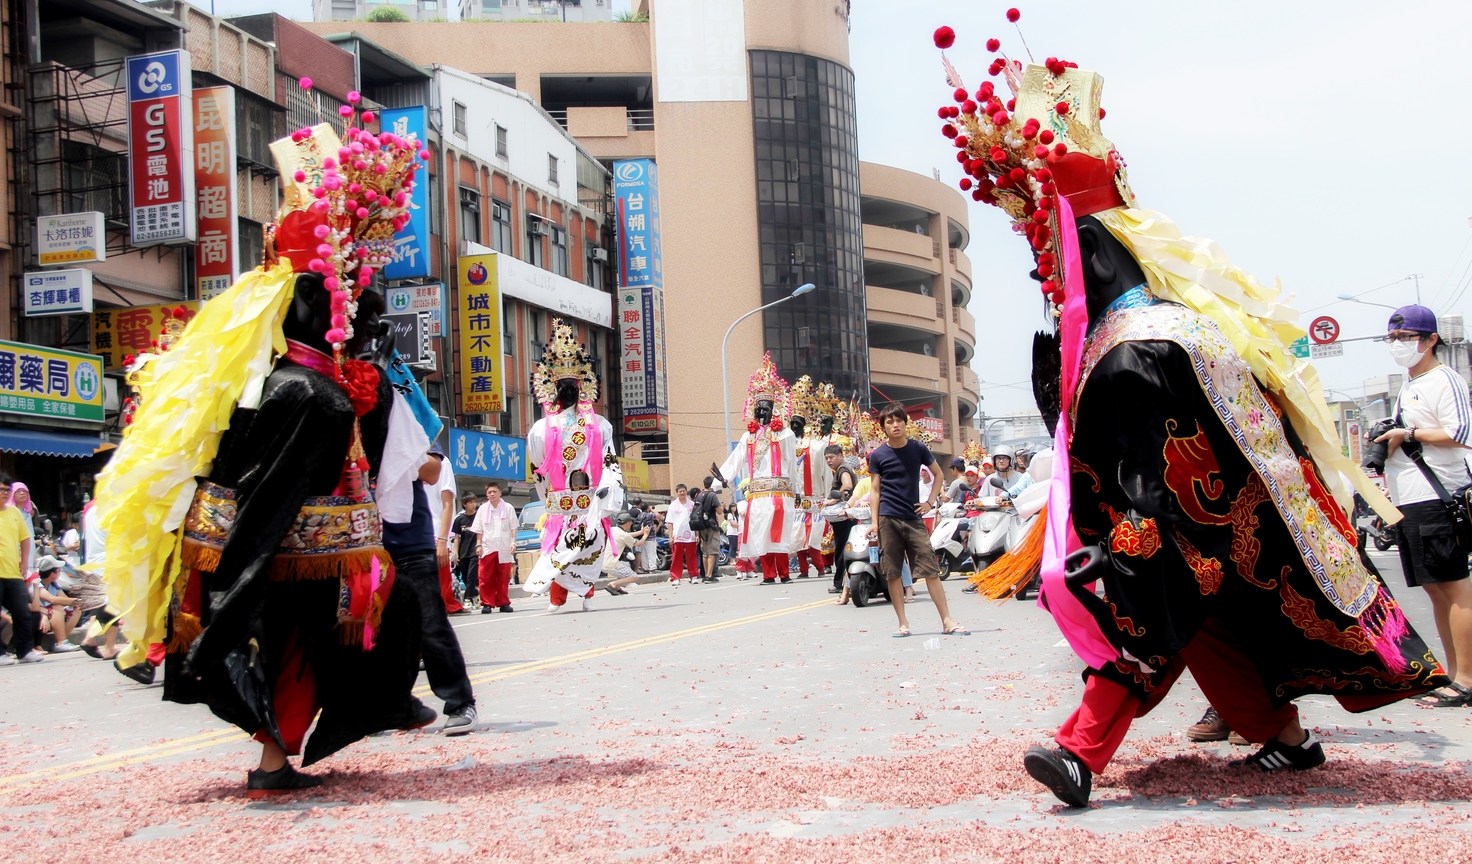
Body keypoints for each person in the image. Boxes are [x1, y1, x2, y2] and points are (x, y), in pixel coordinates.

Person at [931, 32, 1445, 808]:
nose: (1050, 277)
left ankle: (1080, 752)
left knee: (1148, 608)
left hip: (1182, 514)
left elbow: (1158, 469)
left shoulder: (1135, 344)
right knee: (1208, 621)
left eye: (1054, 260)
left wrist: (1128, 538)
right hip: (1223, 512)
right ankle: (1284, 737)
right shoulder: (1174, 323)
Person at [91, 118, 438, 796]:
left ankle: (323, 732)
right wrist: (235, 584)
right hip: (279, 544)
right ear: (317, 309)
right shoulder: (312, 395)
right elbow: (275, 493)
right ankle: (293, 749)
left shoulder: (267, 378)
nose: (369, 327)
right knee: (299, 640)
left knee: (329, 629)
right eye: (357, 314)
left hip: (267, 540)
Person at [1376, 304, 1472, 707]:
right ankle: (1452, 674)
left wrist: (1408, 432)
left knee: (1455, 588)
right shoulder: (1409, 382)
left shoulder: (1443, 378)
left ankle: (1466, 679)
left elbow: (1460, 432)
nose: (1400, 344)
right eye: (1394, 338)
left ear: (1432, 340)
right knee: (1436, 591)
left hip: (1438, 497)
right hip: (1410, 500)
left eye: (1408, 337)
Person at [382, 444, 478, 735]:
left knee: (430, 624)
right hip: (359, 540)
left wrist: (385, 447)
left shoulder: (402, 402)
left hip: (409, 540)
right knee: (374, 630)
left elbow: (432, 470)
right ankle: (390, 706)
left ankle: (460, 704)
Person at [525, 319, 620, 611]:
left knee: (589, 545)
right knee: (560, 550)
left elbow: (609, 459)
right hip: (561, 502)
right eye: (562, 386)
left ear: (583, 387)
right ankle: (558, 597)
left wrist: (608, 486)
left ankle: (587, 593)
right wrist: (548, 499)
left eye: (573, 386)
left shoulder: (600, 426)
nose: (568, 392)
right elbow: (538, 469)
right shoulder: (541, 428)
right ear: (552, 388)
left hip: (590, 499)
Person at [867, 404, 967, 637]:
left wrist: (930, 503)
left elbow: (939, 474)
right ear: (883, 427)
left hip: (913, 518)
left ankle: (947, 621)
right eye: (889, 422)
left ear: (905, 422)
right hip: (887, 518)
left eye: (898, 420)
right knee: (892, 572)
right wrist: (874, 522)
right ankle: (903, 623)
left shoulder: (918, 448)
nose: (895, 425)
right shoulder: (878, 455)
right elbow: (875, 490)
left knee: (930, 569)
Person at [714, 354, 797, 585]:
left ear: (774, 409)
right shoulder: (747, 436)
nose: (761, 412)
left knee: (779, 534)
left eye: (766, 407)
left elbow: (791, 463)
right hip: (758, 494)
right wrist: (721, 479)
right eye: (758, 408)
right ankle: (769, 574)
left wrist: (796, 489)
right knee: (761, 534)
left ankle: (785, 573)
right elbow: (736, 460)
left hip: (780, 492)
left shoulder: (786, 434)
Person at [0, 473, 37, 664]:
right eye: (2, 489)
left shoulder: (14, 512)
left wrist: (24, 562)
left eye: (8, 490)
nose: (5, 493)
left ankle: (24, 651)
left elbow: (25, 538)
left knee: (22, 611)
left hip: (12, 571)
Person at [470, 481, 517, 614]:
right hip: (487, 546)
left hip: (504, 546)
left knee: (503, 577)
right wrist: (478, 544)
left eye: (494, 492)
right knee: (485, 577)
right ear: (486, 494)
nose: (492, 494)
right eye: (489, 492)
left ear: (500, 493)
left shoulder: (508, 507)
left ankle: (503, 602)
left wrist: (513, 542)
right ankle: (487, 603)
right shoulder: (483, 509)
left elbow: (513, 526)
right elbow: (478, 529)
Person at [824, 444, 857, 594]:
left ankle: (839, 584)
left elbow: (848, 485)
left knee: (842, 550)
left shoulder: (843, 469)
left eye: (831, 457)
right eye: (826, 458)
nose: (829, 461)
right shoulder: (840, 469)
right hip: (846, 515)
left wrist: (833, 500)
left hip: (845, 516)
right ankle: (843, 583)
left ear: (840, 456)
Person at [32, 556, 81, 652]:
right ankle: (61, 642)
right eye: (58, 570)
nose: (60, 572)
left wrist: (78, 602)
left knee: (78, 608)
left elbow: (64, 599)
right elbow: (52, 600)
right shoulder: (38, 583)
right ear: (52, 573)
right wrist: (77, 600)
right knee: (57, 606)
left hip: (51, 615)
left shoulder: (53, 584)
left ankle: (62, 642)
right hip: (40, 613)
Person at [603, 512, 648, 595]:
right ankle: (613, 584)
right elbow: (639, 543)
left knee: (624, 568)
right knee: (634, 576)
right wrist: (645, 535)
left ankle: (617, 587)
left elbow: (626, 535)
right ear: (627, 523)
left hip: (604, 562)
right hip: (612, 563)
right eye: (631, 522)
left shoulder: (613, 529)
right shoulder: (623, 535)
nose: (631, 524)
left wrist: (640, 532)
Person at [450, 493, 480, 608]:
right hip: (463, 551)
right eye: (470, 502)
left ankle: (467, 599)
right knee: (465, 575)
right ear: (464, 504)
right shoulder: (459, 519)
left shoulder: (478, 517)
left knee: (471, 575)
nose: (473, 505)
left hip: (475, 550)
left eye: (474, 502)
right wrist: (456, 553)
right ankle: (475, 593)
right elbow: (456, 538)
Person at [666, 484, 698, 584]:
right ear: (677, 493)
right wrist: (670, 536)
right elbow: (670, 522)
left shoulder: (692, 505)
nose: (682, 493)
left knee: (691, 556)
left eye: (683, 491)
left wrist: (697, 535)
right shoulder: (673, 506)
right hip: (677, 535)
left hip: (690, 534)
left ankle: (694, 576)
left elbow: (696, 521)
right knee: (676, 557)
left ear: (686, 491)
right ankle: (675, 577)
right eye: (680, 491)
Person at [695, 477, 724, 584]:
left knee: (705, 552)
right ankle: (709, 575)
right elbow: (719, 511)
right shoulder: (712, 495)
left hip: (702, 526)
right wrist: (722, 506)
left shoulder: (699, 495)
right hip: (711, 525)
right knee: (712, 551)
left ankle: (705, 574)